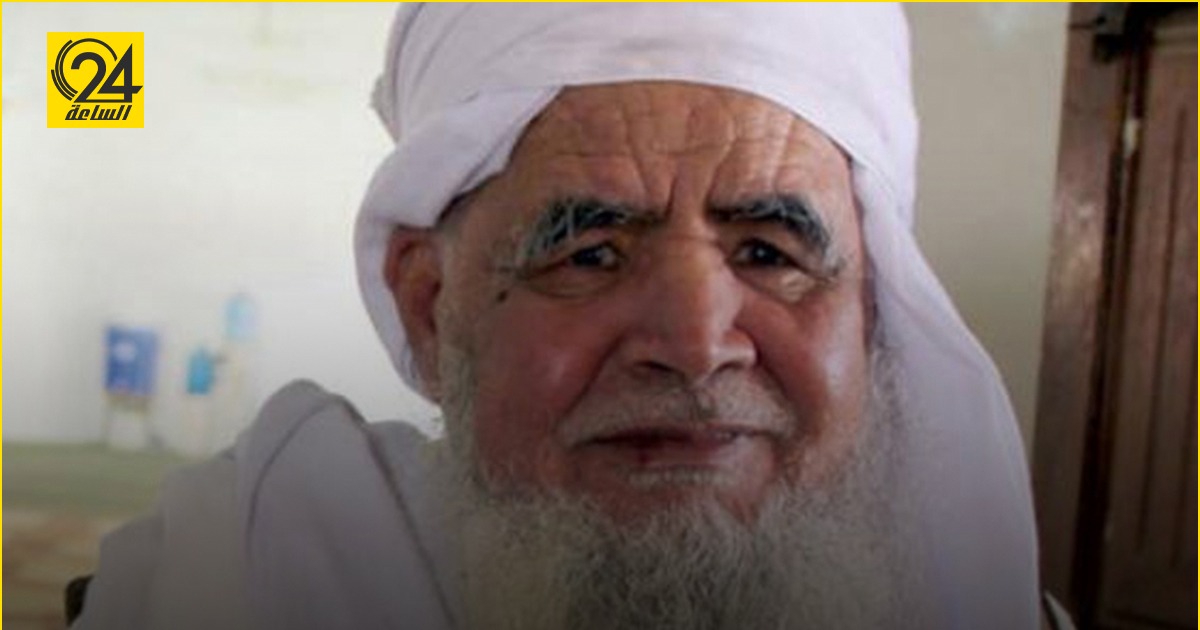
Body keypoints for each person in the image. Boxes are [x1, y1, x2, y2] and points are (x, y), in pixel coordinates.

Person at [72, 5, 1044, 629]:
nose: (696, 346)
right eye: (590, 253)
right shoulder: (233, 583)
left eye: (768, 253)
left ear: (870, 313)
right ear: (430, 307)